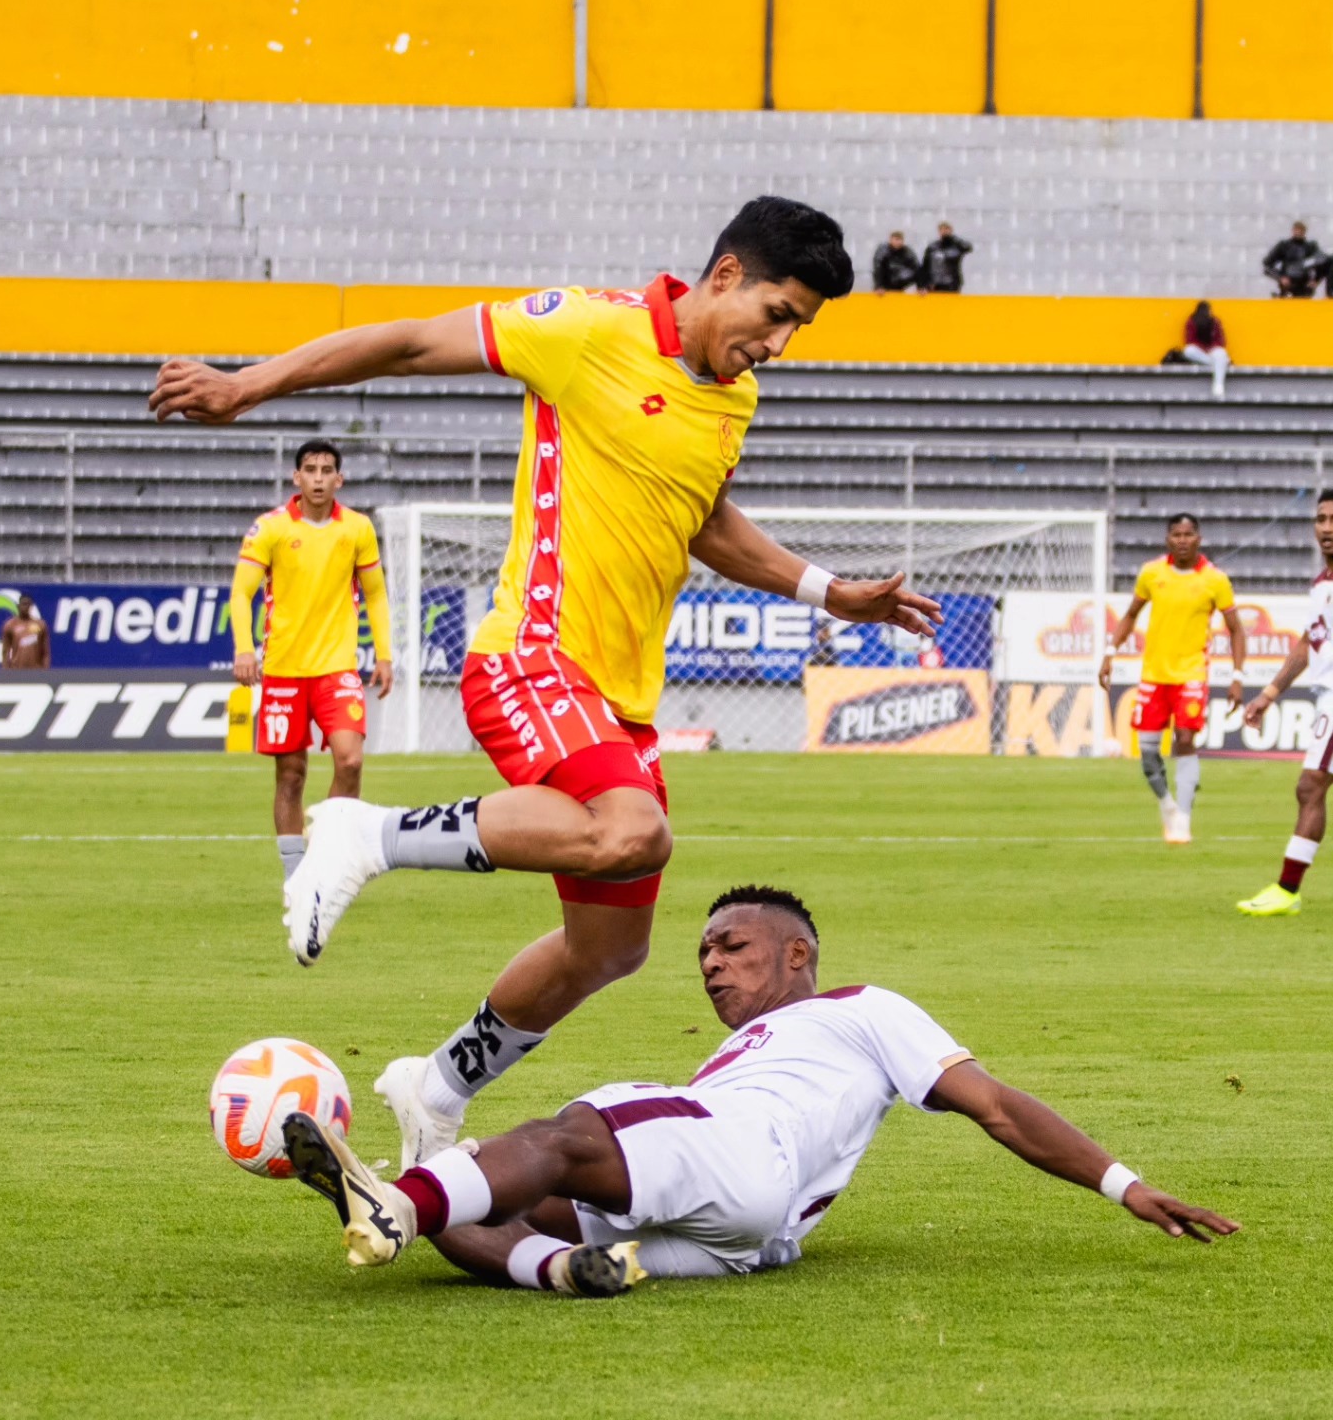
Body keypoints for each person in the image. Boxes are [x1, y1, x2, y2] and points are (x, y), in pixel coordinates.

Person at [150, 196, 943, 1174]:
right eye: (778, 314)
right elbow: (405, 342)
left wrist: (830, 592)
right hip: (533, 655)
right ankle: (364, 833)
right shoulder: (589, 328)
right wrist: (247, 387)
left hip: (619, 699)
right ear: (727, 276)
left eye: (799, 329)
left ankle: (436, 1088)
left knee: (611, 948)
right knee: (635, 831)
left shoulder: (732, 396)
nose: (780, 342)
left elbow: (700, 515)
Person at [279, 884, 1240, 1295]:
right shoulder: (741, 1057)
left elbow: (995, 1105)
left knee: (566, 1132)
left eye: (730, 945)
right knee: (489, 1198)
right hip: (751, 1240)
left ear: (797, 954)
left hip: (748, 1154)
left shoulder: (861, 1008)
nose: (709, 963)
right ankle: (553, 1269)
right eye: (702, 952)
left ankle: (395, 1199)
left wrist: (1122, 1182)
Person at [229, 439, 395, 881]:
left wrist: (384, 654)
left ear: (339, 479)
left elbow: (375, 594)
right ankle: (295, 876)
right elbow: (242, 592)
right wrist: (244, 648)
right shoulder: (270, 528)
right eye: (311, 469)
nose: (319, 478)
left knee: (351, 760)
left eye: (327, 470)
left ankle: (332, 856)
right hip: (284, 669)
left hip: (337, 667)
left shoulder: (357, 528)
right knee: (291, 774)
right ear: (296, 477)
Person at [1099, 514, 1246, 845]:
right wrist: (1110, 652)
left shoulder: (1215, 580)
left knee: (1184, 738)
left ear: (1199, 539)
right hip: (1154, 675)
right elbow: (1131, 614)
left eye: (1188, 534)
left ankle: (1184, 817)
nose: (1182, 540)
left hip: (1192, 674)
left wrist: (1237, 676)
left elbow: (1236, 629)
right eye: (1176, 534)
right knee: (1149, 753)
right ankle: (1167, 805)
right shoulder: (1152, 573)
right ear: (1167, 539)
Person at [1236, 490, 1333, 917]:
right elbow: (1307, 642)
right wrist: (1270, 693)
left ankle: (1287, 889)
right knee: (1311, 786)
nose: (1327, 528)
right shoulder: (1321, 585)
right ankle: (1287, 890)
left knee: (1311, 784)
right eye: (1321, 519)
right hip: (1326, 695)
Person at [1182, 301, 1231, 399]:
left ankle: (1218, 385)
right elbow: (1190, 340)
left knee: (1221, 353)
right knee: (1188, 351)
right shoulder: (1191, 321)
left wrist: (1211, 348)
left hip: (1213, 350)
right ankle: (1220, 364)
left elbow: (1221, 341)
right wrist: (1204, 348)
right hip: (1200, 351)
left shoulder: (1215, 321)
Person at [1263, 221, 1325, 298]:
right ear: (1292, 230)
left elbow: (1323, 263)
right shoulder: (1284, 245)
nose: (1298, 232)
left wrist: (1316, 280)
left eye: (1301, 230)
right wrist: (1281, 277)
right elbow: (1267, 265)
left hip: (1304, 285)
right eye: (1296, 230)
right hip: (1287, 284)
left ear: (1305, 232)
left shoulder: (1311, 247)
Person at [0, 594, 49, 669]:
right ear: (18, 606)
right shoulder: (10, 625)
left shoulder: (40, 625)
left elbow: (45, 652)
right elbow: (5, 652)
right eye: (24, 604)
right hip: (16, 671)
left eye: (29, 604)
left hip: (36, 671)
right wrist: (5, 671)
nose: (26, 607)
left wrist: (45, 670)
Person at [920, 222, 972, 293]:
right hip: (935, 284)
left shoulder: (956, 245)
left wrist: (954, 238)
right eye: (942, 229)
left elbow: (968, 247)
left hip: (952, 283)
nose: (944, 231)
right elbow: (925, 266)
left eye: (946, 229)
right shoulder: (932, 247)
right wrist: (923, 284)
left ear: (951, 230)